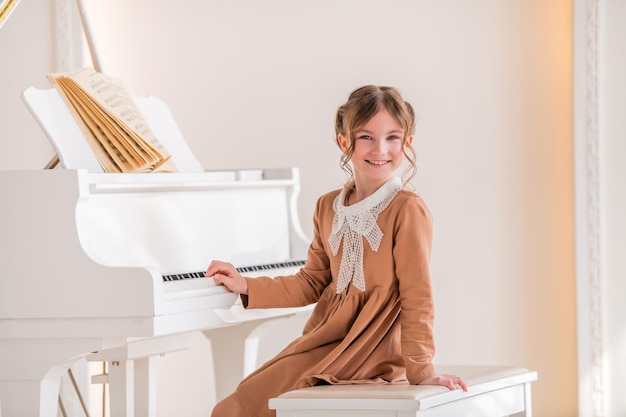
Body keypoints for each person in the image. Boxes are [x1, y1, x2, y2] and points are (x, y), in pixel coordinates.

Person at [206, 85, 467, 417]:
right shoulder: (328, 206)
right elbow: (311, 282)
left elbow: (418, 297)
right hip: (328, 342)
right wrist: (247, 286)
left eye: (392, 137)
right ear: (345, 142)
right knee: (232, 408)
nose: (380, 149)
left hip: (375, 350)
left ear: (407, 143)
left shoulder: (407, 209)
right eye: (366, 137)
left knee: (267, 409)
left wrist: (421, 369)